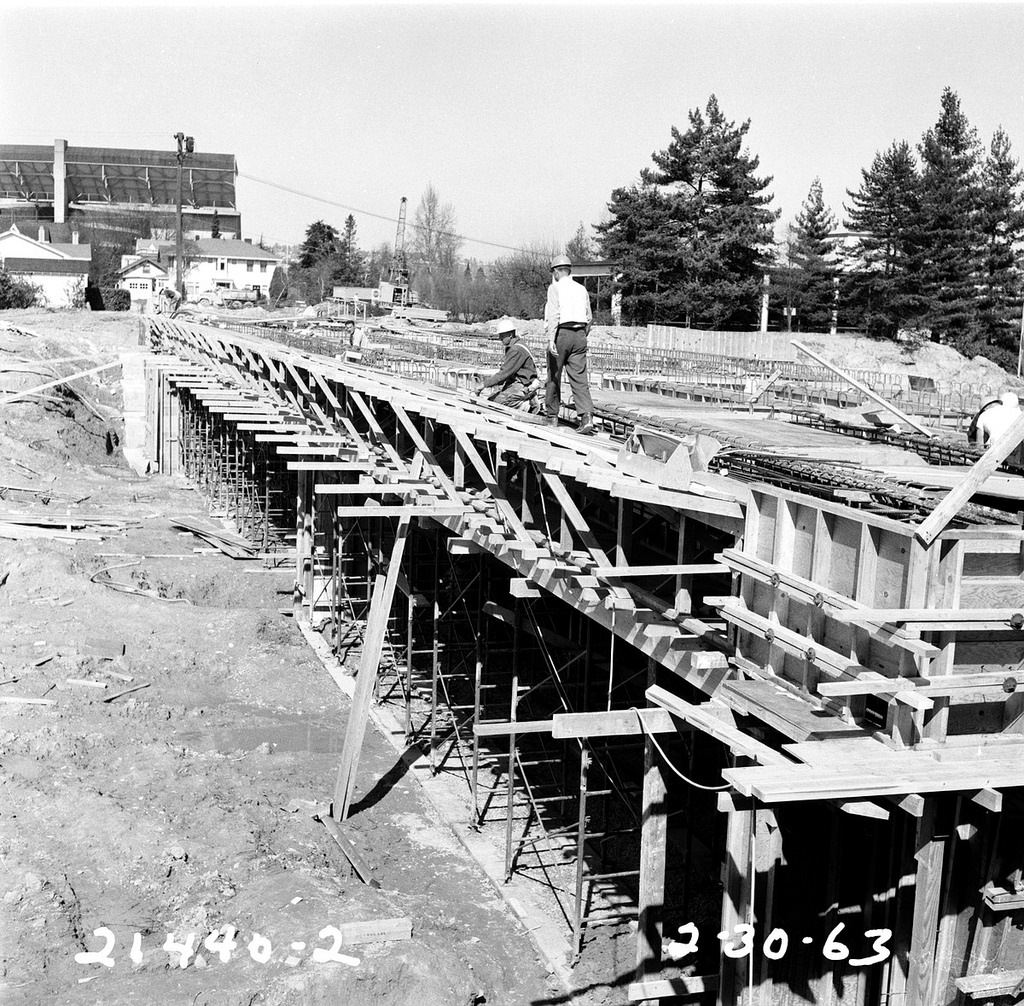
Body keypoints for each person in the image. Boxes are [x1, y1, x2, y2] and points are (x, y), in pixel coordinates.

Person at [544, 254, 596, 434]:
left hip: (562, 333)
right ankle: (586, 416)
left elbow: (554, 315)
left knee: (554, 375)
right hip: (579, 334)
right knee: (580, 378)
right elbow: (589, 317)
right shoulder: (581, 289)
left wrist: (551, 339)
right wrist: (582, 335)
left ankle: (552, 416)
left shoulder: (554, 288)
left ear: (556, 271)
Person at [475, 319, 541, 410]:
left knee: (495, 404)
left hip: (523, 384)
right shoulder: (517, 344)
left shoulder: (516, 350)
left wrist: (483, 385)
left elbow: (504, 373)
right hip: (520, 381)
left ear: (510, 335)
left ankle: (526, 405)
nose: (500, 338)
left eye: (502, 336)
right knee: (492, 399)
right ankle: (524, 398)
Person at [974, 389, 1024, 458]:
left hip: (992, 452)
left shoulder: (985, 414)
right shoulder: (1021, 416)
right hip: (1016, 454)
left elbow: (979, 445)